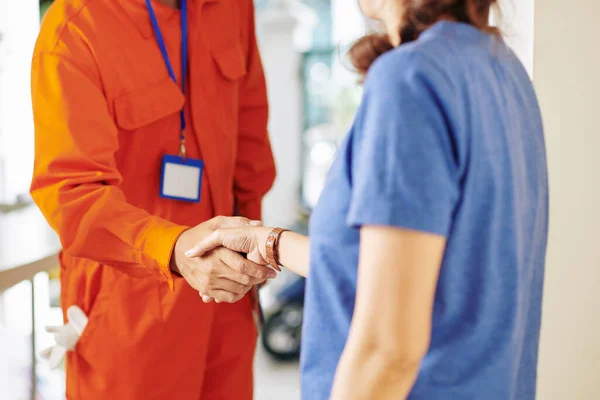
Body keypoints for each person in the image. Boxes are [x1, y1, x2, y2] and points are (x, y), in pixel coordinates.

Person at [187, 0, 549, 399]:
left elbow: (389, 349)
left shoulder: (410, 80)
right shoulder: (502, 67)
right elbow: (400, 272)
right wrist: (269, 243)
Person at [30, 0, 276, 398]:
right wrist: (175, 250)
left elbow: (251, 140)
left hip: (226, 299)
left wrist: (254, 250)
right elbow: (71, 194)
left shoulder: (231, 8)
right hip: (130, 314)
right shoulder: (75, 28)